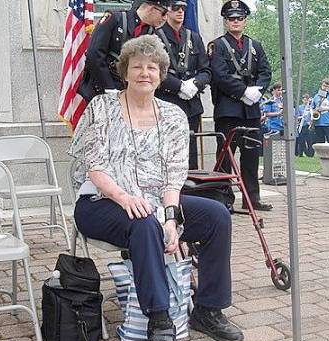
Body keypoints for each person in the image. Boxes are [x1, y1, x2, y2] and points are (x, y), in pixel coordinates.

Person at [70, 35, 243, 341]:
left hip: (154, 202)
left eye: (152, 67)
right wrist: (124, 197)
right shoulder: (102, 108)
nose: (144, 73)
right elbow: (96, 167)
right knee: (143, 222)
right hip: (101, 199)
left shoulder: (174, 116)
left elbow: (173, 175)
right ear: (125, 71)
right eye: (137, 66)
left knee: (216, 215)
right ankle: (160, 320)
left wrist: (171, 218)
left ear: (162, 74)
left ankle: (208, 309)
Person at [209, 0, 273, 211]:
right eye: (231, 18)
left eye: (239, 18)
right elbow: (219, 75)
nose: (235, 21)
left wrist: (256, 91)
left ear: (245, 20)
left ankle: (251, 199)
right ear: (226, 21)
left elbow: (265, 71)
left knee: (251, 157)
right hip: (229, 110)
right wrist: (242, 91)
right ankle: (223, 200)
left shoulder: (256, 45)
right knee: (226, 157)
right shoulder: (217, 46)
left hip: (251, 109)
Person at [155, 0, 211, 169]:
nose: (180, 11)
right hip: (167, 102)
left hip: (191, 105)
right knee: (168, 153)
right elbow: (154, 70)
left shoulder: (193, 37)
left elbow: (206, 70)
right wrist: (179, 86)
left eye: (183, 8)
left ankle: (191, 191)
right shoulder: (155, 36)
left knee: (191, 154)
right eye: (175, 8)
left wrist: (195, 84)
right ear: (167, 10)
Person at [78, 0, 170, 101]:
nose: (165, 18)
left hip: (129, 92)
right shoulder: (115, 18)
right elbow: (94, 54)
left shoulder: (152, 33)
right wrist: (109, 87)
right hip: (100, 88)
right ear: (151, 9)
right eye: (163, 13)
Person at [310, 78, 329, 144]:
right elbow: (312, 108)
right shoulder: (317, 96)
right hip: (318, 124)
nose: (324, 88)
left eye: (327, 86)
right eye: (323, 86)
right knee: (320, 144)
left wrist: (324, 108)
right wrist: (313, 113)